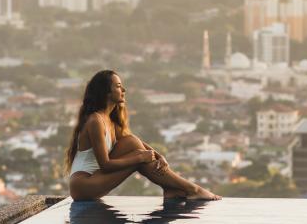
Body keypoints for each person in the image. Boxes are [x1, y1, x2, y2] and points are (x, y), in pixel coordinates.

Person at [66, 69, 221, 202]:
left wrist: (158, 155)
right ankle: (191, 189)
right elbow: (105, 165)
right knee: (138, 156)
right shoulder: (95, 120)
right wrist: (139, 158)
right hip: (83, 185)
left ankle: (172, 189)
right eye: (119, 86)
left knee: (131, 141)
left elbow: (134, 142)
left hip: (96, 178)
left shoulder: (110, 120)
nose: (124, 90)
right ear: (106, 92)